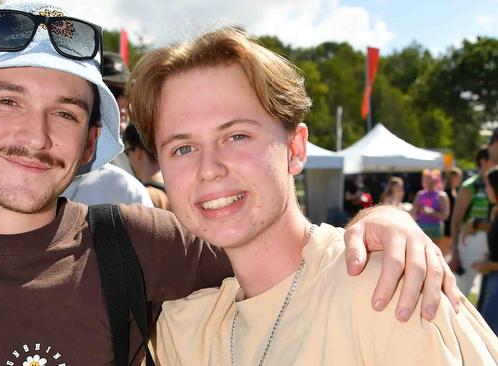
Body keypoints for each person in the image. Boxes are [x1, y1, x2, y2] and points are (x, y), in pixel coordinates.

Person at [0, 2, 461, 364]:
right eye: (6, 101)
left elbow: (277, 251)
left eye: (64, 112)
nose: (35, 136)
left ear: (91, 142)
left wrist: (381, 222)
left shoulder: (142, 247)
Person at [125, 27, 497, 364]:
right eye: (183, 148)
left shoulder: (384, 288)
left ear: (296, 148)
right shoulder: (182, 332)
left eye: (236, 136)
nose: (209, 168)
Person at [450, 146, 493, 296]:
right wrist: (455, 251)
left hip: (492, 241)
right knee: (460, 292)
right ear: (483, 161)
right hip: (471, 241)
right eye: (493, 159)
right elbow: (456, 221)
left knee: (488, 295)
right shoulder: (470, 186)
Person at [469, 166, 498, 334]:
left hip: (494, 277)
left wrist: (489, 265)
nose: (486, 190)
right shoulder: (495, 211)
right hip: (491, 278)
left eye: (488, 186)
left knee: (489, 334)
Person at [123, 123, 170, 210]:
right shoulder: (178, 189)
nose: (128, 159)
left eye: (127, 152)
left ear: (138, 152)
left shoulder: (144, 196)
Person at [411, 169, 450, 248]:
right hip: (420, 227)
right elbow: (413, 213)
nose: (428, 181)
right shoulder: (420, 194)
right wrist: (416, 208)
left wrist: (431, 212)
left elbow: (445, 216)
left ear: (436, 180)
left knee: (433, 253)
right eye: (426, 178)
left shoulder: (442, 196)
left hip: (435, 229)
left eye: (430, 179)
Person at [443, 166, 463, 253]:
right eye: (459, 177)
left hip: (451, 226)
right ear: (453, 177)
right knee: (443, 252)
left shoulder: (453, 191)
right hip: (447, 227)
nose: (460, 180)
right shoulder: (447, 192)